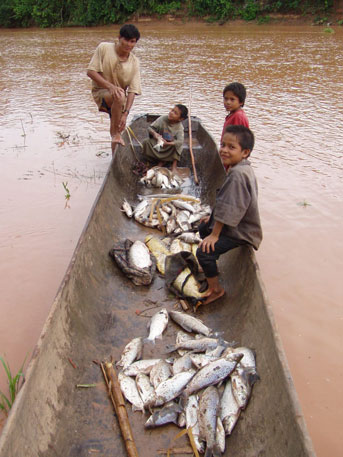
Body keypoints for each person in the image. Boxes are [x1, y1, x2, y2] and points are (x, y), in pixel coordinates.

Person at [196, 125, 262, 305]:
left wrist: (215, 234)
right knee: (203, 227)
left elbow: (230, 209)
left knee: (203, 252)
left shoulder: (237, 175)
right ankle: (212, 270)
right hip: (236, 222)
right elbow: (227, 202)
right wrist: (210, 220)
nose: (224, 150)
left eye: (231, 147)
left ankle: (216, 290)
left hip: (241, 231)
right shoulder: (240, 168)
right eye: (222, 145)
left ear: (245, 152)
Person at [87, 24, 141, 153]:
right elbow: (91, 72)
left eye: (132, 41)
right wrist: (110, 86)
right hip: (101, 91)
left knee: (119, 127)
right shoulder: (104, 48)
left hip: (120, 98)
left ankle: (114, 153)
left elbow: (133, 90)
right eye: (126, 40)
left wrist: (125, 114)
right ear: (119, 38)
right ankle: (115, 135)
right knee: (116, 131)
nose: (129, 44)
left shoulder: (134, 62)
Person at [141, 104, 188, 173]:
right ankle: (161, 161)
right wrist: (155, 134)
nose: (171, 113)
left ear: (180, 119)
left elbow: (180, 141)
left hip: (169, 147)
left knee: (178, 146)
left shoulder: (179, 127)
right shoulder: (163, 118)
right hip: (159, 143)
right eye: (172, 110)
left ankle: (174, 166)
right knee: (146, 142)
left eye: (175, 113)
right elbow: (150, 128)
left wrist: (168, 143)